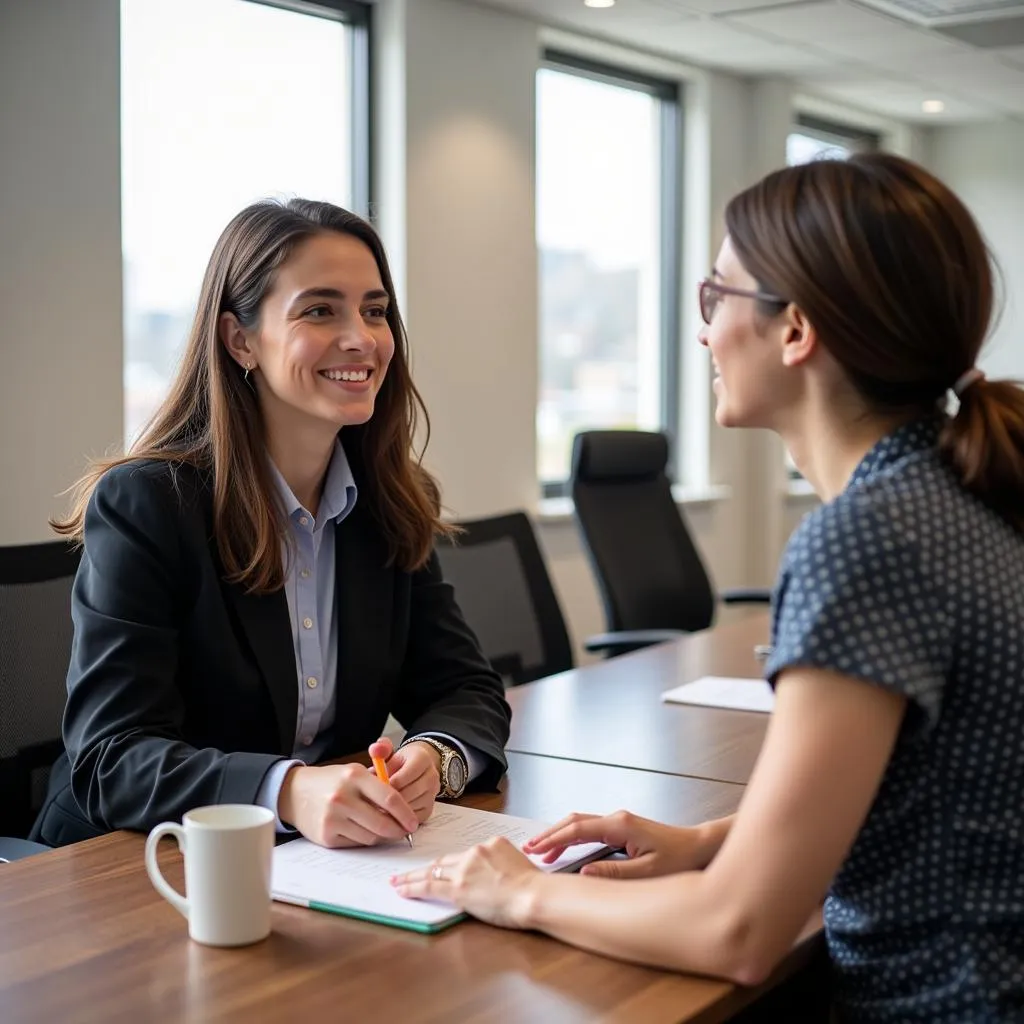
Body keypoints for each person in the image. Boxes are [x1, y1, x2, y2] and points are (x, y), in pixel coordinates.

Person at [392, 153, 1024, 1022]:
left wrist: (518, 892)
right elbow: (922, 791)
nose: (703, 332)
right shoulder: (958, 495)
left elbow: (740, 931)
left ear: (794, 329)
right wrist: (704, 841)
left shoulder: (869, 539)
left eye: (714, 297)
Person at [33, 199, 510, 850]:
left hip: (311, 862)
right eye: (320, 310)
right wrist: (289, 789)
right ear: (239, 340)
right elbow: (112, 758)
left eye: (374, 310)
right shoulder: (148, 505)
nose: (361, 338)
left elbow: (465, 686)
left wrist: (435, 756)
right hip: (129, 866)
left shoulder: (385, 502)